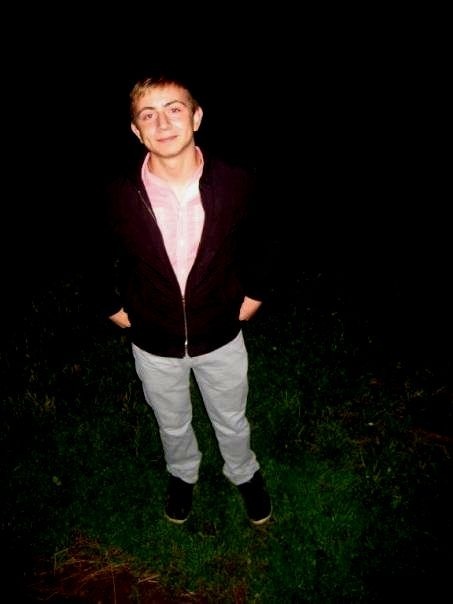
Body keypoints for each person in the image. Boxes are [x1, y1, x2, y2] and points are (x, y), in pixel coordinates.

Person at [100, 73, 271, 525]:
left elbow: (263, 238)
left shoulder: (236, 180)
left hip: (221, 331)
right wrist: (110, 304)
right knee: (171, 419)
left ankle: (243, 471)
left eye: (174, 109)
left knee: (231, 416)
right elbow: (94, 251)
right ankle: (183, 473)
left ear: (196, 117)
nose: (163, 123)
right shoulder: (117, 191)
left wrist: (256, 292)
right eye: (148, 114)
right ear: (136, 130)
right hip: (152, 337)